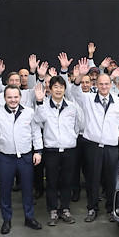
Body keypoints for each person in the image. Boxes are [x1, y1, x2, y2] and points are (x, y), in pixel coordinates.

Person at [71, 58, 119, 222]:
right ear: (96, 85)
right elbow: (74, 91)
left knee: (110, 180)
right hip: (92, 146)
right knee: (92, 180)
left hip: (111, 147)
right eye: (100, 84)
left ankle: (110, 209)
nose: (103, 87)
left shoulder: (117, 101)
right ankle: (92, 209)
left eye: (106, 84)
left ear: (111, 85)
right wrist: (80, 76)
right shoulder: (88, 99)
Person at [0, 84, 43, 234]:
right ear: (4, 98)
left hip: (25, 157)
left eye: (15, 97)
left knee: (27, 190)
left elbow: (36, 132)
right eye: (9, 97)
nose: (13, 100)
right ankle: (6, 220)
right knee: (5, 190)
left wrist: (38, 151)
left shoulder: (29, 112)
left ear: (20, 98)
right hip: (5, 158)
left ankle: (29, 218)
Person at [34, 78, 83, 226]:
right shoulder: (44, 106)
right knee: (52, 182)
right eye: (55, 87)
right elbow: (38, 119)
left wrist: (72, 137)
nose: (58, 90)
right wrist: (40, 102)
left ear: (64, 89)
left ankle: (65, 209)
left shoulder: (72, 106)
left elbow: (80, 124)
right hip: (51, 150)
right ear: (50, 88)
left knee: (67, 181)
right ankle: (53, 210)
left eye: (61, 87)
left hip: (69, 150)